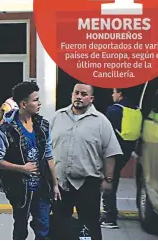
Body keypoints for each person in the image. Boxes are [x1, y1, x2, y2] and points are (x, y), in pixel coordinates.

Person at [49, 83, 123, 240]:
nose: (79, 97)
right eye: (76, 93)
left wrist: (108, 180)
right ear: (71, 95)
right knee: (59, 226)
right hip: (60, 183)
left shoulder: (101, 121)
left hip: (88, 184)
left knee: (90, 227)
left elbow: (110, 152)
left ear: (91, 99)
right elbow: (47, 148)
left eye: (83, 94)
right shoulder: (57, 117)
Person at [0, 81, 60, 240]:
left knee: (44, 229)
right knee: (21, 228)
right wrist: (22, 168)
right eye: (35, 100)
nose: (39, 103)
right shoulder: (4, 130)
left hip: (42, 187)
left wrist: (54, 184)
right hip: (19, 189)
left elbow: (48, 155)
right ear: (23, 104)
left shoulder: (42, 125)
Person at [101, 88, 142, 229]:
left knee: (108, 181)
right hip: (127, 151)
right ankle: (111, 213)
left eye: (114, 92)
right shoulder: (136, 109)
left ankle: (109, 218)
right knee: (114, 179)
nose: (112, 95)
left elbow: (105, 133)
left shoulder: (114, 110)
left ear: (120, 94)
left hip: (113, 151)